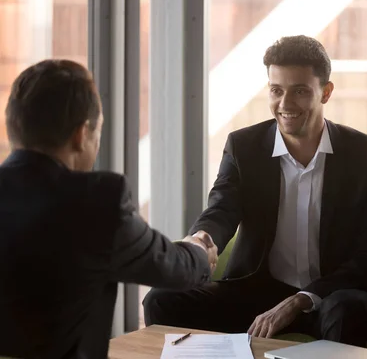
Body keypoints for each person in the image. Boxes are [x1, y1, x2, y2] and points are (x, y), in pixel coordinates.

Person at [143, 35, 367, 346]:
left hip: (334, 293)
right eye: (276, 91)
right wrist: (201, 240)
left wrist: (301, 300)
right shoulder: (244, 146)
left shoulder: (363, 153)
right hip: (260, 290)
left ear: (326, 92)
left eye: (300, 91)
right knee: (160, 299)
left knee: (347, 311)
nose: (285, 104)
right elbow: (223, 206)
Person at [0, 60, 217, 359]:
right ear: (80, 135)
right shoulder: (96, 202)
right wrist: (198, 251)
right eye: (97, 132)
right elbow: (173, 268)